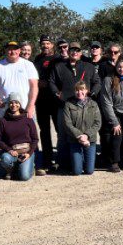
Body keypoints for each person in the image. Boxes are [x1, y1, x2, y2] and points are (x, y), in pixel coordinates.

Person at [49, 42, 101, 171]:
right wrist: (57, 93)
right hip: (65, 106)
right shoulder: (59, 66)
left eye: (77, 50)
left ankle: (85, 161)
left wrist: (92, 93)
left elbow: (97, 82)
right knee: (63, 136)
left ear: (81, 53)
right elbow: (51, 82)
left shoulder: (88, 66)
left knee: (85, 132)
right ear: (68, 51)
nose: (75, 52)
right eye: (72, 50)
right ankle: (63, 163)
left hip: (85, 106)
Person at [0, 41, 39, 119]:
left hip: (25, 110)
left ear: (19, 51)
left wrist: (31, 106)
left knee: (28, 131)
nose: (13, 52)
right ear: (6, 51)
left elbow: (34, 87)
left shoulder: (28, 65)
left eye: (15, 49)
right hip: (5, 112)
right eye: (10, 49)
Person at [33, 35, 62, 174]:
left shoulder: (58, 59)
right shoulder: (37, 59)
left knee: (60, 130)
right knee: (44, 131)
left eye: (48, 43)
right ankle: (47, 158)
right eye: (43, 43)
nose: (45, 45)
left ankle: (61, 158)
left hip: (55, 100)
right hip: (41, 100)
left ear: (52, 45)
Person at [0, 92, 39, 181]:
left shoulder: (28, 120)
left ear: (20, 104)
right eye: (11, 102)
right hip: (11, 153)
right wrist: (9, 150)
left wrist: (29, 153)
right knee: (5, 158)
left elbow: (35, 139)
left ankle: (31, 167)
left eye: (16, 102)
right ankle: (11, 170)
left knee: (24, 177)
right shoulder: (3, 121)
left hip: (26, 152)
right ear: (8, 104)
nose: (13, 105)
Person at [63, 81, 101, 175]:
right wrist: (80, 136)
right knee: (77, 172)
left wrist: (87, 135)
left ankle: (84, 159)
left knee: (89, 171)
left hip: (90, 141)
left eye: (82, 89)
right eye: (77, 90)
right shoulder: (68, 104)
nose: (79, 92)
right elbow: (67, 123)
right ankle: (78, 161)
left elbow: (97, 123)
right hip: (75, 140)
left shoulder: (93, 104)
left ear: (87, 90)